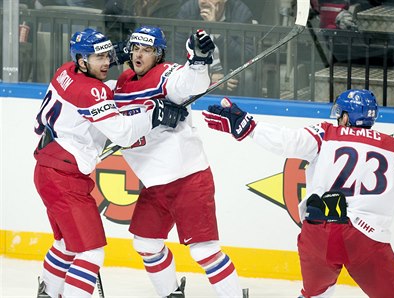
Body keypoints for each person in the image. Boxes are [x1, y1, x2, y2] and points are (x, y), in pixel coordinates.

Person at [202, 89, 394, 298]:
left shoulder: (326, 132)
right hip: (366, 238)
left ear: (346, 116)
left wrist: (250, 127)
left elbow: (287, 140)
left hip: (320, 231)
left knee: (315, 294)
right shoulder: (393, 146)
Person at [33, 28, 187, 298]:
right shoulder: (91, 91)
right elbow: (124, 132)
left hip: (49, 167)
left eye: (108, 56)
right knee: (91, 253)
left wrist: (106, 54)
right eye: (98, 58)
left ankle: (47, 293)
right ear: (83, 61)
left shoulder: (66, 70)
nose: (106, 62)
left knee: (66, 244)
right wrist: (155, 113)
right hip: (63, 176)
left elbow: (99, 85)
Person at [113, 25, 248, 298]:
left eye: (147, 50)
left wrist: (198, 63)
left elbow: (188, 83)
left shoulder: (166, 76)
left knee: (204, 251)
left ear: (159, 54)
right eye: (136, 48)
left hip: (188, 178)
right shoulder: (121, 82)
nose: (140, 55)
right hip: (154, 184)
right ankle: (171, 294)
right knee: (146, 244)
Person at [176, 0, 256, 96]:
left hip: (228, 71)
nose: (204, 1)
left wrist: (216, 29)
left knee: (247, 76)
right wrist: (208, 76)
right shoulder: (188, 10)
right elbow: (174, 51)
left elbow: (246, 55)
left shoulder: (240, 12)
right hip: (196, 72)